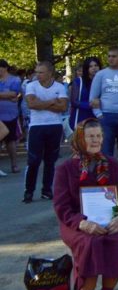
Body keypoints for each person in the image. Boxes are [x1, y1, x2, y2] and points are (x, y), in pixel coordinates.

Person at [53, 119, 118, 290]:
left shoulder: (112, 165)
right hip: (76, 224)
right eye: (91, 136)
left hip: (108, 221)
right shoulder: (66, 169)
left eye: (98, 136)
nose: (95, 140)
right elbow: (61, 207)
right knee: (90, 244)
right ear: (80, 138)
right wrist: (82, 223)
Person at [24, 61, 68, 203]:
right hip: (37, 126)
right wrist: (51, 102)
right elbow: (31, 104)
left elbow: (63, 107)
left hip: (54, 125)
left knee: (50, 160)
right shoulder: (31, 86)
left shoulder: (60, 87)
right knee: (34, 160)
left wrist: (41, 104)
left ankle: (47, 190)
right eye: (37, 72)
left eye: (41, 72)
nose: (38, 75)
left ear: (50, 73)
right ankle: (29, 191)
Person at [0, 58, 22, 174]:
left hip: (10, 114)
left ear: (5, 68)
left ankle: (14, 165)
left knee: (11, 140)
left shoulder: (15, 79)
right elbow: (10, 96)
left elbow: (14, 94)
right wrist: (7, 95)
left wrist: (10, 95)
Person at [68, 57, 101, 130]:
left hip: (98, 118)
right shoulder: (78, 81)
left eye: (96, 65)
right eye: (91, 66)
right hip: (81, 118)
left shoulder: (103, 82)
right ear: (86, 68)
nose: (94, 68)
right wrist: (90, 104)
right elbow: (74, 102)